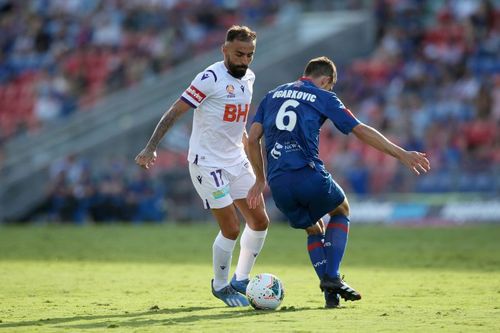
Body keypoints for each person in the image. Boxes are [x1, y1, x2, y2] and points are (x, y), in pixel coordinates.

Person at [246, 56, 430, 308]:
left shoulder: (271, 96)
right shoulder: (323, 96)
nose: (330, 90)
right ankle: (332, 276)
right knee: (341, 209)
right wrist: (401, 153)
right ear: (326, 80)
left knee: (314, 229)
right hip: (307, 173)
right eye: (330, 86)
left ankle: (330, 295)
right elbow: (359, 129)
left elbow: (252, 138)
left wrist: (260, 179)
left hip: (278, 183)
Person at [135, 26, 270, 307]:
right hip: (207, 164)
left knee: (259, 221)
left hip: (235, 159)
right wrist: (151, 147)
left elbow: (237, 122)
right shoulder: (209, 78)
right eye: (238, 54)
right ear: (224, 50)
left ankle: (241, 279)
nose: (244, 61)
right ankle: (220, 286)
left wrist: (250, 156)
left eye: (250, 55)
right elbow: (175, 111)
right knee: (231, 228)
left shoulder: (250, 77)